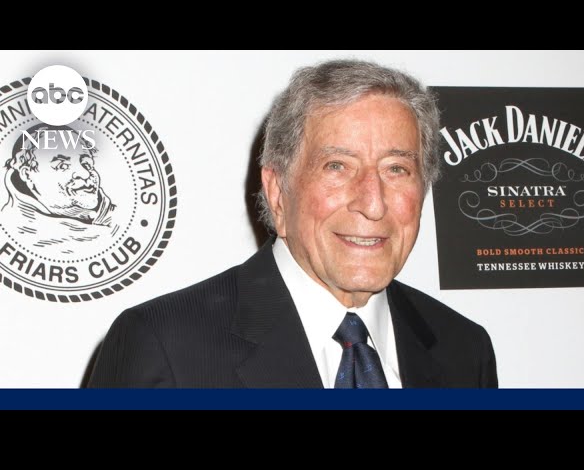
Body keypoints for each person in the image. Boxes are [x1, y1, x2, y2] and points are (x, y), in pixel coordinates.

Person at [88, 59, 498, 388]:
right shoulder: (163, 345)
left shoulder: (465, 350)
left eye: (396, 169)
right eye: (337, 166)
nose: (373, 204)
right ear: (278, 193)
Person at [2, 124, 116, 254]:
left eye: (87, 164)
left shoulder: (119, 221)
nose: (85, 174)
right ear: (27, 175)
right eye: (63, 166)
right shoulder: (10, 232)